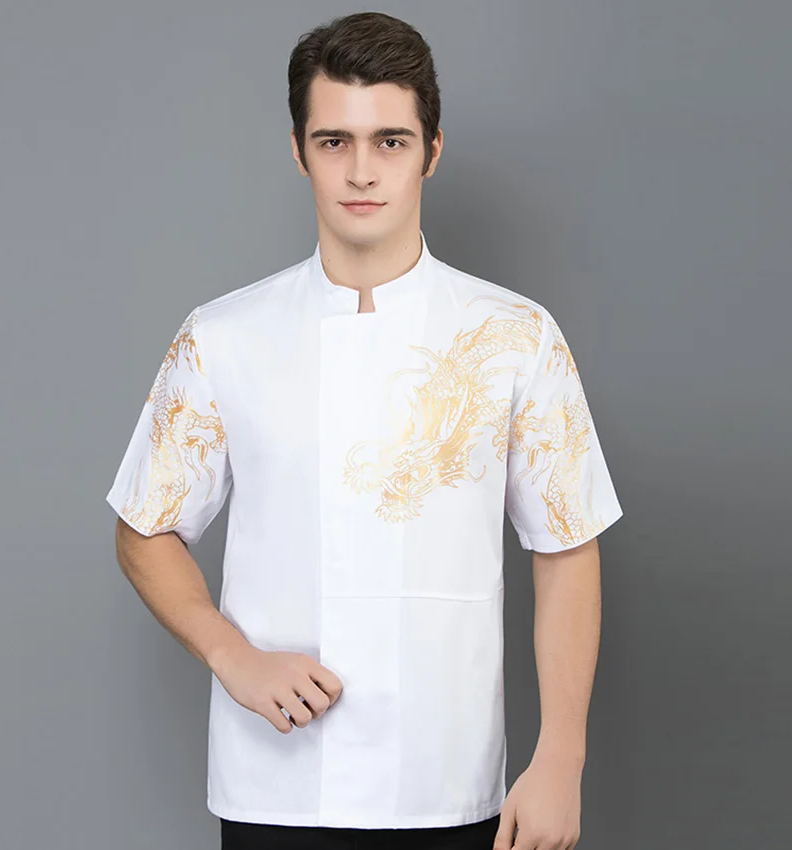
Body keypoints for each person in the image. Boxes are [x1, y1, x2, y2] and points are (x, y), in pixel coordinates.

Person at [105, 11, 624, 850]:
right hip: (275, 785)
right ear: (299, 151)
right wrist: (232, 656)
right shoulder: (223, 336)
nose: (360, 170)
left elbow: (567, 545)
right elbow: (144, 526)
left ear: (431, 151)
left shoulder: (515, 336)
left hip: (448, 780)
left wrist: (562, 758)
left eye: (390, 141)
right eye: (333, 141)